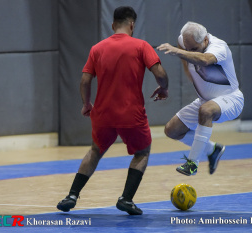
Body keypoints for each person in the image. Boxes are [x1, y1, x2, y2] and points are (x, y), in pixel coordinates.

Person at [56, 6, 168, 215]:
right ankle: (126, 199)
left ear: (113, 24)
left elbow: (85, 80)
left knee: (95, 151)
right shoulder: (141, 46)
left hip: (103, 114)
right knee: (142, 152)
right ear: (132, 24)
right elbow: (159, 72)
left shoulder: (97, 48)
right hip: (131, 114)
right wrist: (164, 87)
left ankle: (71, 195)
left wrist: (86, 104)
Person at [157, 21, 244, 176]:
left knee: (206, 110)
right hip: (205, 100)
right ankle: (213, 150)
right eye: (186, 48)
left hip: (231, 99)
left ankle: (192, 163)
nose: (189, 51)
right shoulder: (183, 41)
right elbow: (185, 52)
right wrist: (188, 70)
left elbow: (204, 60)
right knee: (172, 130)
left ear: (205, 40)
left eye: (194, 49)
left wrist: (178, 51)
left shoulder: (219, 47)